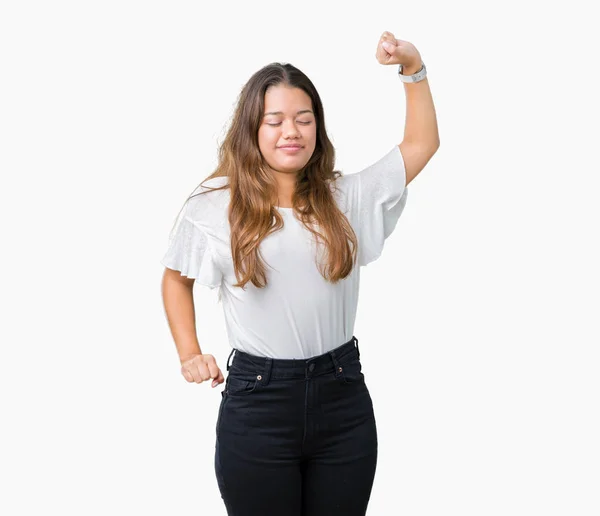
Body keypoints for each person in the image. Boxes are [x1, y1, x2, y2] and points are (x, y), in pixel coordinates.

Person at [160, 31, 439, 516]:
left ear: (318, 129)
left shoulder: (345, 199)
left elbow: (421, 144)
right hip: (257, 405)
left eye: (304, 119)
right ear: (252, 129)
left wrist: (413, 69)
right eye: (276, 121)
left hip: (343, 398)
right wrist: (189, 352)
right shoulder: (213, 207)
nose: (292, 131)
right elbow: (176, 277)